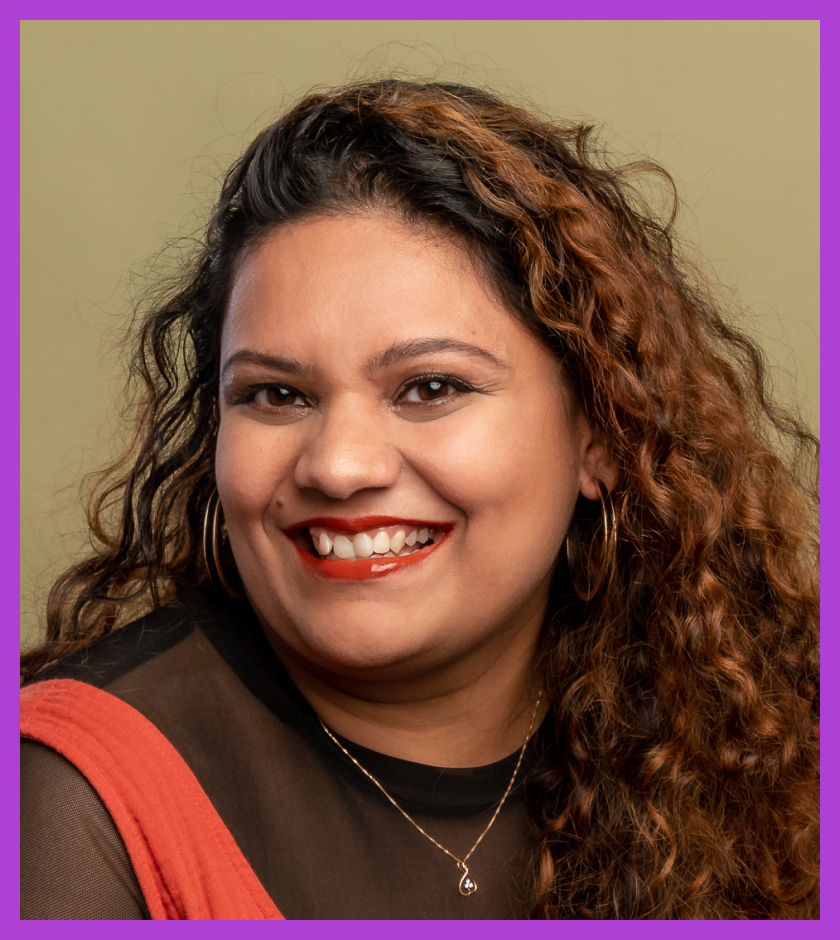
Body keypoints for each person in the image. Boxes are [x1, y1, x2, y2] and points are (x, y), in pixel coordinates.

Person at [20, 79, 819, 920]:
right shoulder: (66, 803)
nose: (339, 467)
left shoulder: (757, 745)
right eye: (276, 395)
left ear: (602, 434)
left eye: (431, 387)